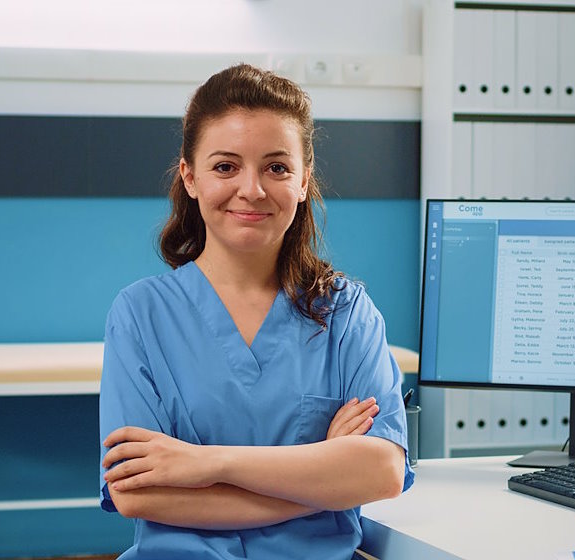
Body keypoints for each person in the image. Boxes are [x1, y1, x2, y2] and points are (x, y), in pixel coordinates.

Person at [98, 63, 414, 559]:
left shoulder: (346, 313)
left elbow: (381, 472)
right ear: (191, 177)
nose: (253, 190)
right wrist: (318, 480)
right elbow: (137, 491)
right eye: (226, 166)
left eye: (277, 167)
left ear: (304, 180)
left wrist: (206, 464)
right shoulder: (141, 314)